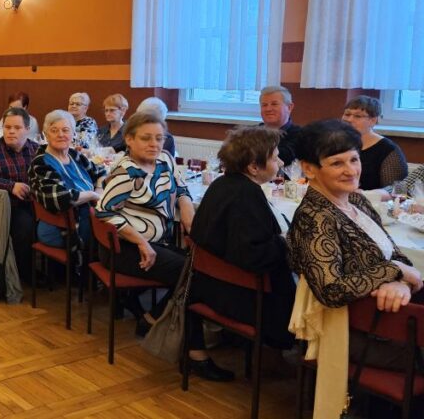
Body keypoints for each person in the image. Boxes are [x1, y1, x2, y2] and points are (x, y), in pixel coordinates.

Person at [288, 119, 422, 383]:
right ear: (309, 169)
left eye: (354, 159)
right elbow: (331, 290)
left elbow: (396, 254)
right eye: (337, 163)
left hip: (386, 316)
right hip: (351, 330)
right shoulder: (314, 218)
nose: (351, 170)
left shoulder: (356, 200)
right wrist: (394, 271)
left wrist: (401, 284)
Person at [187, 126, 297, 382]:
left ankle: (272, 356)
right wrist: (284, 241)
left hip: (209, 285)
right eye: (274, 157)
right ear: (253, 167)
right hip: (240, 298)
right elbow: (254, 256)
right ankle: (283, 357)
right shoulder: (246, 195)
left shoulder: (222, 184)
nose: (280, 162)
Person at [95, 111, 193, 335]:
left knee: (196, 266)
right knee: (190, 272)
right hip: (124, 249)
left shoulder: (165, 159)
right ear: (129, 139)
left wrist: (186, 208)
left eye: (159, 138)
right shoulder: (127, 172)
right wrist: (141, 242)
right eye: (146, 138)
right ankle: (157, 320)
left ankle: (157, 317)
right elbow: (103, 212)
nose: (154, 144)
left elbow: (181, 186)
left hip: (157, 243)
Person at [25, 110, 104, 284]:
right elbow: (60, 199)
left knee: (115, 230)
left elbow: (101, 172)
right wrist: (92, 195)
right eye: (54, 130)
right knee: (111, 236)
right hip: (59, 228)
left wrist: (98, 188)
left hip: (87, 220)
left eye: (66, 130)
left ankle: (108, 282)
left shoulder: (74, 156)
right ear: (45, 134)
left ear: (73, 133)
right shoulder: (40, 163)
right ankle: (100, 279)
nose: (61, 134)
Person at [340, 95, 408, 191]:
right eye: (347, 114)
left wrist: (368, 195)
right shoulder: (334, 143)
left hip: (373, 203)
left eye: (357, 116)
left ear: (373, 120)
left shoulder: (388, 149)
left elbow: (399, 189)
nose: (349, 120)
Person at [259, 85, 301, 167]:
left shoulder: (301, 134)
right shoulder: (252, 132)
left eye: (274, 104)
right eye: (264, 105)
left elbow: (284, 157)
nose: (268, 109)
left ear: (289, 107)